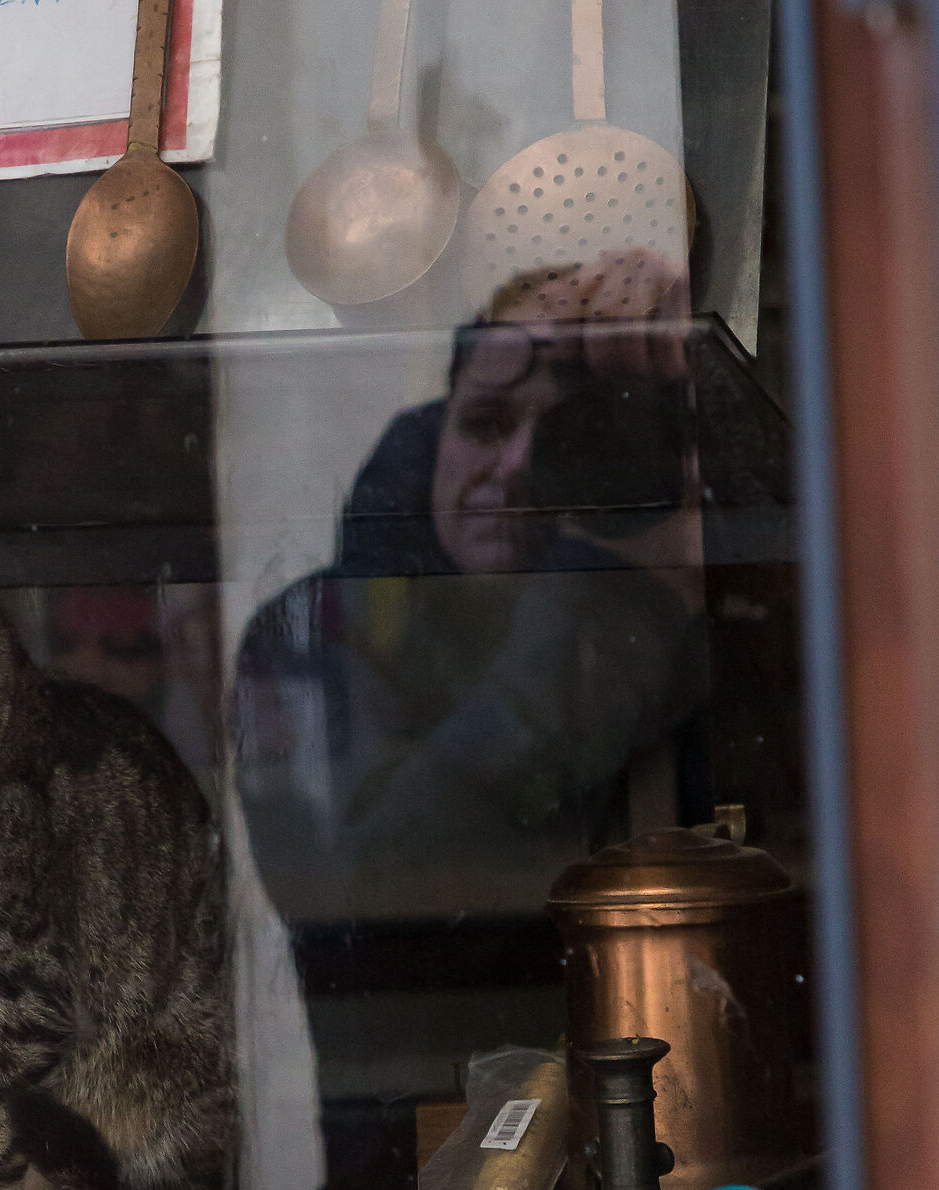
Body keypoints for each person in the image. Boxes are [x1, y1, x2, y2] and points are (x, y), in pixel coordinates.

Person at [233, 252, 712, 924]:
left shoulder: (691, 595)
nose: (517, 467)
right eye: (486, 424)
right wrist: (618, 599)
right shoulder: (318, 626)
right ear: (439, 434)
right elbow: (372, 893)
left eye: (576, 434)